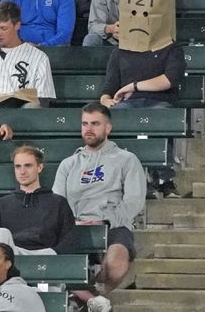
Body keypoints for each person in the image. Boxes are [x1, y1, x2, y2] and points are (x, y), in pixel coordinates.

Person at [53, 103, 147, 311]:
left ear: (108, 128)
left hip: (113, 225)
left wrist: (109, 220)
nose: (89, 129)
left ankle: (87, 298)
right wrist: (71, 222)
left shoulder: (126, 159)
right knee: (54, 256)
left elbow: (134, 199)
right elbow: (57, 202)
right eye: (85, 124)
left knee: (116, 263)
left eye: (95, 124)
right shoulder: (68, 164)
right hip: (75, 226)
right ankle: (91, 301)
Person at [0, 146, 76, 255]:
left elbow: (69, 239)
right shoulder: (2, 205)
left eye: (28, 166)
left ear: (40, 167)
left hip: (47, 256)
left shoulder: (58, 203)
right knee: (0, 234)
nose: (22, 172)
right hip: (11, 257)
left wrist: (54, 253)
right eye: (18, 167)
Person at [0, 1, 56, 108]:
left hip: (23, 117)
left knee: (33, 106)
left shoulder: (39, 57)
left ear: (17, 25)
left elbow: (44, 99)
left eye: (4, 28)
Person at [100, 37, 185, 109]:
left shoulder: (171, 47)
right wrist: (105, 100)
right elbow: (110, 87)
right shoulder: (120, 50)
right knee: (117, 114)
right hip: (127, 102)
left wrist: (132, 87)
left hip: (161, 101)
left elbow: (170, 80)